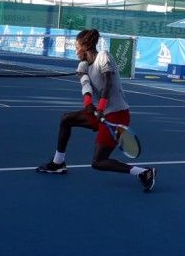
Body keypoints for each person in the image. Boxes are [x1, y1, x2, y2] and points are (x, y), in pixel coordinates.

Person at [36, 29, 156, 192]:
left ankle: (143, 172)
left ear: (85, 46)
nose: (75, 50)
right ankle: (58, 163)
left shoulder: (104, 57)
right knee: (66, 119)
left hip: (117, 115)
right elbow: (86, 86)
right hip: (99, 114)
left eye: (77, 47)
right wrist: (88, 103)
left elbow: (109, 83)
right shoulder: (83, 65)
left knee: (98, 162)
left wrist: (100, 107)